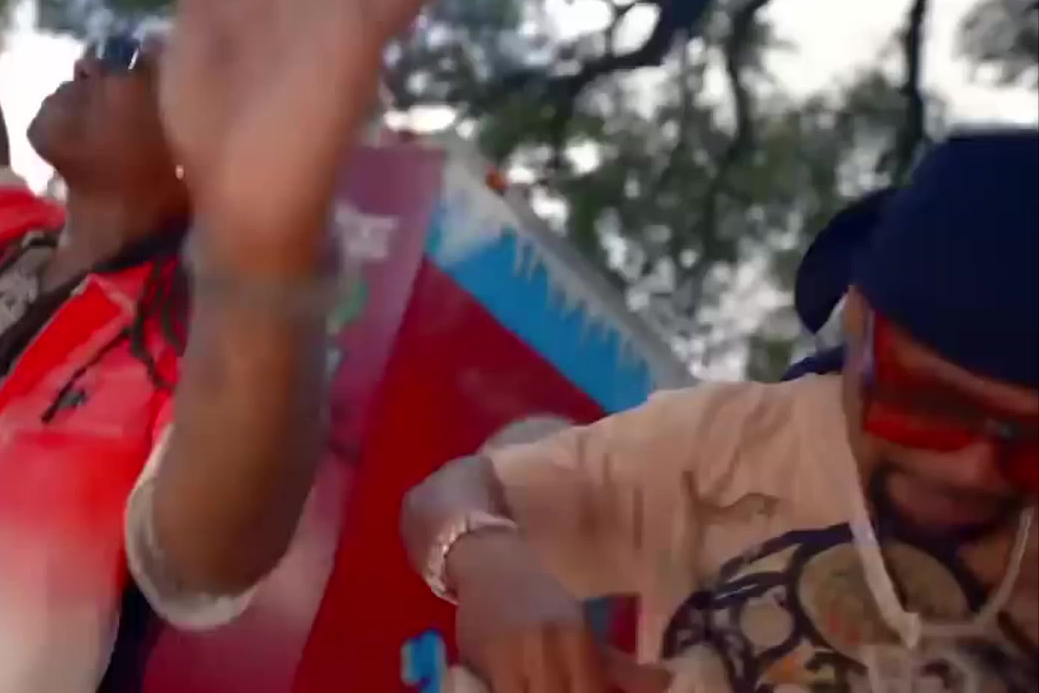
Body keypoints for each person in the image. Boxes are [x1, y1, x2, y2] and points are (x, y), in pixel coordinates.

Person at [0, 0, 437, 690]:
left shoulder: (185, 354)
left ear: (194, 148)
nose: (85, 62)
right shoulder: (8, 245)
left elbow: (211, 555)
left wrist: (263, 250)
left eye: (123, 56)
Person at [401, 129, 1038, 692]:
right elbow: (447, 495)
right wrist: (488, 560)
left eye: (1032, 439)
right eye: (932, 404)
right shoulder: (727, 445)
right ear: (858, 323)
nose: (976, 469)